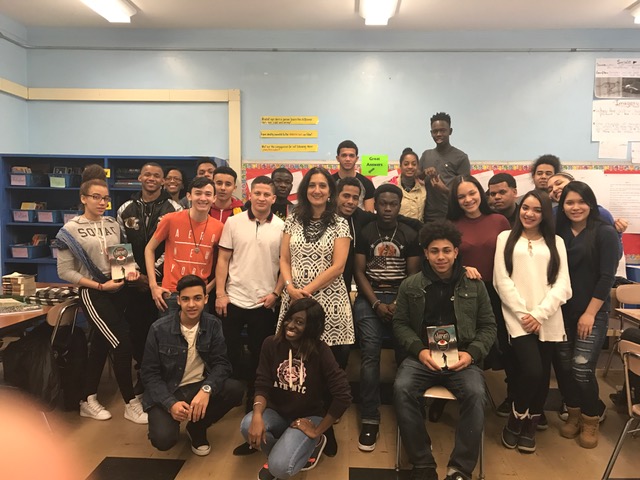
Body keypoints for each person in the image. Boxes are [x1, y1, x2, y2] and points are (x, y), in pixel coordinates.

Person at [393, 221, 496, 480]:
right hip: (422, 357)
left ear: (456, 252)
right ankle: (422, 462)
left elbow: (488, 326)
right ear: (425, 254)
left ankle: (460, 468)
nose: (441, 257)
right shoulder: (410, 285)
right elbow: (400, 324)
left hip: (462, 358)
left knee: (476, 393)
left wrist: (471, 354)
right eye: (435, 251)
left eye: (447, 250)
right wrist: (419, 351)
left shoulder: (475, 284)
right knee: (402, 388)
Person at [56, 169, 147, 424]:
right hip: (94, 293)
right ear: (83, 198)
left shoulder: (112, 224)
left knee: (100, 345)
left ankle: (87, 399)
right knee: (122, 343)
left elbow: (121, 257)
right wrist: (99, 286)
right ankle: (130, 402)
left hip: (119, 291)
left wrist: (130, 271)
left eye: (105, 198)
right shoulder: (70, 230)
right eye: (95, 197)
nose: (101, 202)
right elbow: (65, 271)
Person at [493, 190, 572, 453]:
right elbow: (501, 280)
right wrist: (524, 314)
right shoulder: (505, 238)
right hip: (518, 318)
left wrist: (539, 314)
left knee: (543, 374)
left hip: (548, 317)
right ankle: (517, 417)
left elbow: (563, 284)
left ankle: (530, 423)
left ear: (545, 214)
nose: (529, 213)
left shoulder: (556, 242)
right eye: (525, 207)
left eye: (537, 210)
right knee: (531, 371)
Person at [241, 298, 352, 480]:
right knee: (247, 426)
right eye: (289, 318)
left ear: (311, 327)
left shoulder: (321, 351)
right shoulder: (270, 343)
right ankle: (283, 452)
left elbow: (343, 395)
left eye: (299, 322)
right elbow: (262, 383)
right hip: (277, 413)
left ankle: (314, 442)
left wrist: (318, 430)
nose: (290, 325)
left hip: (308, 417)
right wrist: (258, 414)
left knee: (280, 468)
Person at [214, 176, 285, 456]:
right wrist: (220, 293)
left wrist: (276, 293)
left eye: (267, 194)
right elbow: (223, 259)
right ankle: (227, 399)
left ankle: (252, 406)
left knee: (260, 357)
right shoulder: (233, 223)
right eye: (258, 193)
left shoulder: (282, 227)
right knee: (228, 353)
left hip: (263, 302)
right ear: (250, 195)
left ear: (274, 199)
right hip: (232, 299)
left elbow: (285, 265)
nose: (262, 198)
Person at [141, 275, 243, 455]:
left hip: (198, 386)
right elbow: (149, 374)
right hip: (169, 389)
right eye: (186, 299)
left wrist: (206, 389)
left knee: (235, 389)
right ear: (178, 300)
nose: (191, 304)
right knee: (163, 440)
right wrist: (170, 404)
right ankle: (171, 420)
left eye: (197, 298)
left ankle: (197, 427)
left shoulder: (213, 324)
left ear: (205, 299)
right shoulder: (159, 328)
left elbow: (222, 364)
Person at [353, 184, 421, 451]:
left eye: (393, 204)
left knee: (405, 353)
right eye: (383, 203)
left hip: (401, 296)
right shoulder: (366, 232)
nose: (388, 208)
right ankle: (370, 417)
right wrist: (376, 303)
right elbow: (359, 272)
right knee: (370, 353)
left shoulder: (410, 233)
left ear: (400, 205)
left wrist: (397, 304)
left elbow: (412, 276)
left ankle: (407, 412)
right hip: (370, 296)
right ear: (376, 204)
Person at [555, 181, 619, 449]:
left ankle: (591, 418)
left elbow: (607, 277)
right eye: (569, 202)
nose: (575, 207)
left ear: (591, 204)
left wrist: (590, 313)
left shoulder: (604, 233)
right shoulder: (558, 232)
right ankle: (574, 413)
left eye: (581, 202)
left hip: (591, 313)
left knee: (582, 369)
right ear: (562, 206)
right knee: (564, 368)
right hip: (560, 313)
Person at [446, 175, 512, 419]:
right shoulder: (451, 224)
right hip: (464, 291)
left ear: (480, 193)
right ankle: (457, 391)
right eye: (461, 196)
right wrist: (462, 269)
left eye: (472, 193)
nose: (468, 199)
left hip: (497, 291)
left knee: (503, 342)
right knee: (463, 341)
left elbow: (511, 258)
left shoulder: (499, 221)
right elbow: (444, 259)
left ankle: (512, 396)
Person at [278, 167, 355, 370]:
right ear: (305, 190)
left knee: (329, 362)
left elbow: (338, 266)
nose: (317, 190)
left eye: (322, 185)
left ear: (330, 192)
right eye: (312, 185)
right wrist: (290, 288)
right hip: (293, 298)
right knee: (293, 360)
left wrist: (305, 293)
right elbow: (284, 259)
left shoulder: (340, 223)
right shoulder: (292, 220)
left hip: (330, 301)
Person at [117, 162, 182, 396]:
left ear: (163, 180)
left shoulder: (174, 208)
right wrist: (136, 274)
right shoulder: (125, 209)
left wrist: (152, 275)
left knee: (163, 332)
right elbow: (120, 245)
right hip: (133, 282)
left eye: (156, 175)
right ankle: (143, 375)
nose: (151, 178)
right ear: (140, 178)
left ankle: (161, 377)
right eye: (147, 174)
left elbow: (174, 245)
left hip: (163, 283)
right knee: (137, 331)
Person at [145, 176, 223, 315]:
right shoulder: (170, 219)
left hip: (199, 294)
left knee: (199, 330)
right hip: (171, 293)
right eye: (198, 193)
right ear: (189, 196)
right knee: (167, 330)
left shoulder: (219, 227)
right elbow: (149, 249)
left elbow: (224, 263)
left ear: (214, 198)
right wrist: (153, 286)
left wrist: (209, 288)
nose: (203, 198)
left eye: (208, 194)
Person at [419, 112, 470, 223]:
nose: (438, 134)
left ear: (450, 131)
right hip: (427, 216)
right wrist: (424, 173)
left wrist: (445, 190)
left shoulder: (461, 157)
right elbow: (417, 179)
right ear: (431, 133)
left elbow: (466, 191)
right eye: (435, 131)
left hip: (452, 215)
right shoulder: (426, 155)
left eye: (442, 130)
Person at [331, 140, 375, 212]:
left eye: (351, 156)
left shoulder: (367, 184)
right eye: (344, 155)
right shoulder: (329, 182)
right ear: (338, 158)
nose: (348, 159)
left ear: (356, 159)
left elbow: (370, 214)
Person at [391, 147, 427, 221]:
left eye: (414, 164)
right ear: (400, 166)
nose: (410, 167)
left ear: (418, 166)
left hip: (418, 227)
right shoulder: (392, 186)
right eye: (406, 164)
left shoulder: (423, 188)